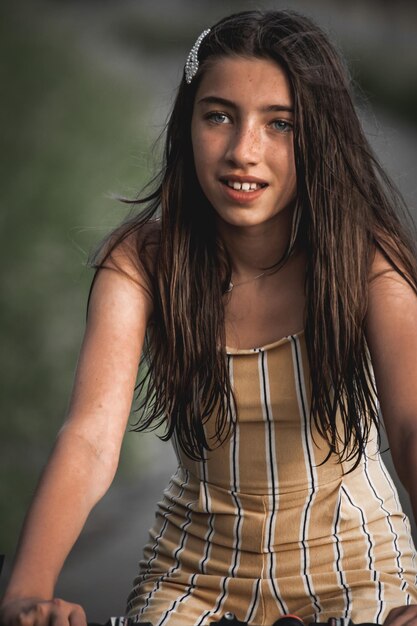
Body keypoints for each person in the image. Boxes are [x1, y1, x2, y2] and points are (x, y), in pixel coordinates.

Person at [1, 8, 417, 626]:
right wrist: (24, 592)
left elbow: (410, 428)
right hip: (195, 574)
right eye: (219, 116)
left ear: (320, 137)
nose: (243, 152)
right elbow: (90, 438)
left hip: (358, 565)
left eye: (281, 124)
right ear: (187, 124)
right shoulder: (142, 262)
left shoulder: (365, 258)